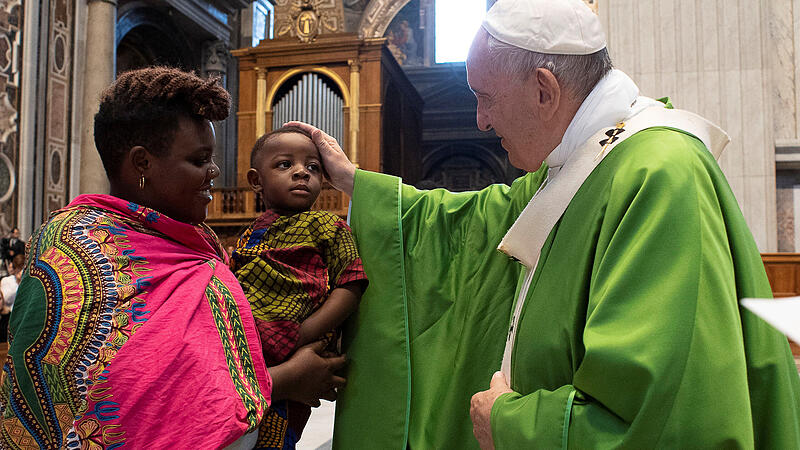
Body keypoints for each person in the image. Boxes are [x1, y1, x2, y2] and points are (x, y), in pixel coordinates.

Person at [290, 0, 800, 447]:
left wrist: (512, 424)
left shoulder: (658, 173)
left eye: (484, 96)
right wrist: (357, 182)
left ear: (543, 90)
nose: (480, 121)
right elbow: (471, 224)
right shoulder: (578, 167)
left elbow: (666, 414)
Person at [0, 67, 346, 449]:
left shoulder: (200, 243)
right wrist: (288, 379)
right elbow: (139, 393)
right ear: (142, 163)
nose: (214, 171)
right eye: (199, 160)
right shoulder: (75, 243)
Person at [232, 126, 367, 448]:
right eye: (284, 165)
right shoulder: (248, 235)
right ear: (256, 180)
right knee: (238, 425)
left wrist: (304, 332)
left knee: (278, 433)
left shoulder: (327, 225)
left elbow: (351, 283)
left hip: (298, 343)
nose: (301, 173)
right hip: (247, 343)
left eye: (313, 167)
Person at [0, 254, 23, 342]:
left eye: (22, 268)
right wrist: (18, 282)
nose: (20, 271)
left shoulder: (27, 283)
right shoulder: (6, 281)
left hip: (20, 319)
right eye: (18, 268)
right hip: (7, 317)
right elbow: (4, 300)